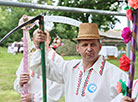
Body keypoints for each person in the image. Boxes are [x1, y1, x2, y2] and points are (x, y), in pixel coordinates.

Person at [30, 23, 128, 102]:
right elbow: (44, 68)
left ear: (100, 47)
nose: (89, 49)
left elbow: (131, 93)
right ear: (78, 48)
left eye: (93, 44)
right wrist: (39, 48)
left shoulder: (113, 73)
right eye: (85, 45)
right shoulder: (69, 68)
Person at [14, 30, 64, 102]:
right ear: (34, 40)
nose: (41, 39)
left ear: (49, 39)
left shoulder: (58, 59)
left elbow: (59, 87)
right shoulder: (28, 58)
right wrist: (20, 82)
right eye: (38, 36)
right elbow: (17, 82)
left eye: (44, 36)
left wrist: (35, 98)